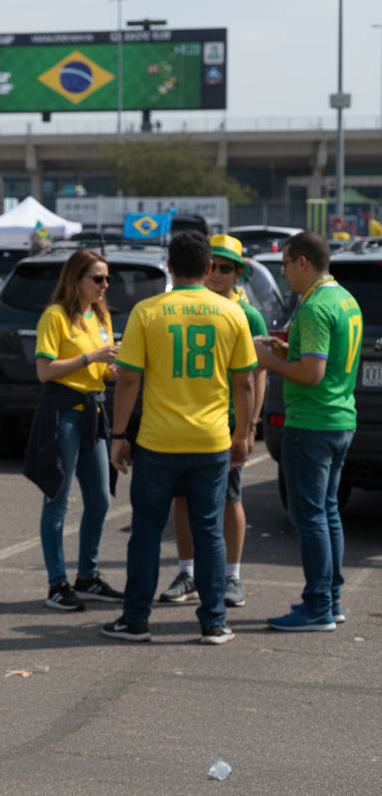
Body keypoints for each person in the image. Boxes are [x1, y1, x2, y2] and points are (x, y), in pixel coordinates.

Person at [104, 231, 256, 646]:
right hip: (211, 441)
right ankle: (214, 622)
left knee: (146, 531)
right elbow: (244, 382)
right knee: (209, 531)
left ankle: (136, 619)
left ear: (169, 267)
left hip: (158, 442)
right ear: (208, 268)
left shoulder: (148, 311)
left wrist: (118, 435)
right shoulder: (232, 313)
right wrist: (243, 434)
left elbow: (129, 378)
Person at [253, 231, 361, 632]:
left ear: (302, 262)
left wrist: (267, 360)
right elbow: (322, 359)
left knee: (310, 515)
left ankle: (317, 605)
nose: (283, 273)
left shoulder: (315, 306)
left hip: (313, 422)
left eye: (284, 264)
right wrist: (286, 350)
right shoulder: (344, 298)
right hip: (339, 419)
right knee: (327, 511)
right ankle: (330, 598)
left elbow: (312, 374)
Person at [160, 234, 267, 608]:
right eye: (214, 267)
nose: (217, 274)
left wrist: (249, 427)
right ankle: (187, 572)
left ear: (238, 273)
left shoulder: (247, 315)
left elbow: (256, 377)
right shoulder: (184, 306)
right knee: (183, 501)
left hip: (227, 424)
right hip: (183, 423)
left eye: (226, 268)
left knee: (229, 500)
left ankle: (231, 577)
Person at [23, 249, 122, 611]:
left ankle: (87, 577)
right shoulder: (55, 316)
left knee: (100, 499)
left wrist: (110, 370)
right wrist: (91, 358)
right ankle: (57, 584)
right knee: (57, 500)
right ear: (76, 280)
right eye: (97, 278)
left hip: (92, 412)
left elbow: (101, 371)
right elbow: (44, 371)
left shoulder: (100, 315)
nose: (104, 284)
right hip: (63, 413)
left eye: (107, 278)